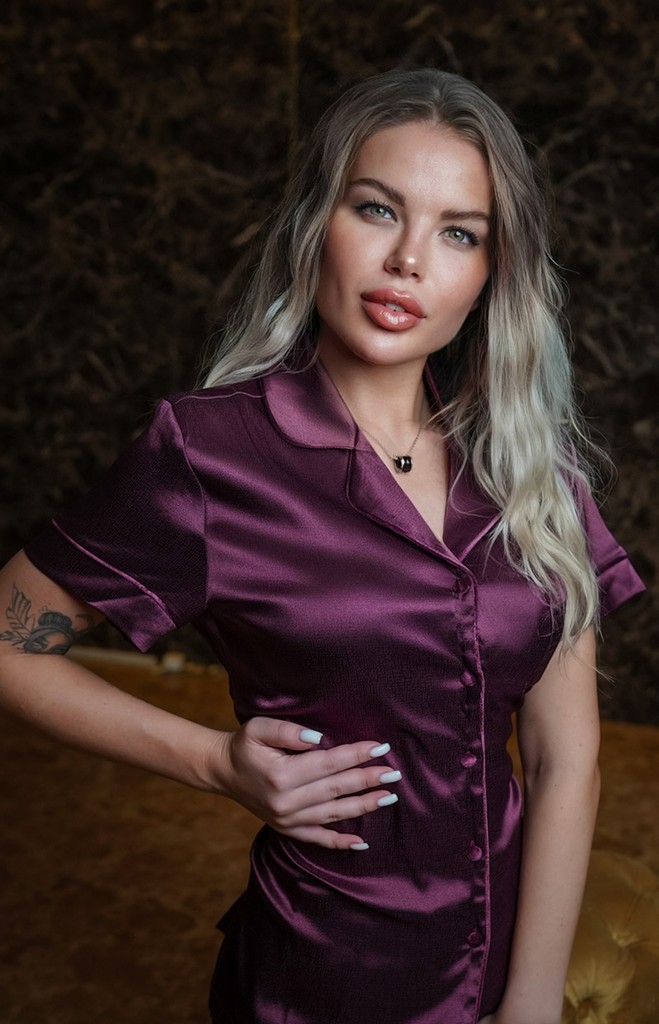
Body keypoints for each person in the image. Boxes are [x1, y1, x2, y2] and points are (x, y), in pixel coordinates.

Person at [0, 68, 644, 1024]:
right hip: (320, 975)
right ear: (316, 227)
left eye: (458, 232)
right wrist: (214, 762)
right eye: (377, 210)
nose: (408, 261)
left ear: (491, 274)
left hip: (512, 954)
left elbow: (563, 758)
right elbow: (11, 642)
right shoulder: (210, 451)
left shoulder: (529, 466)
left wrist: (531, 1001)